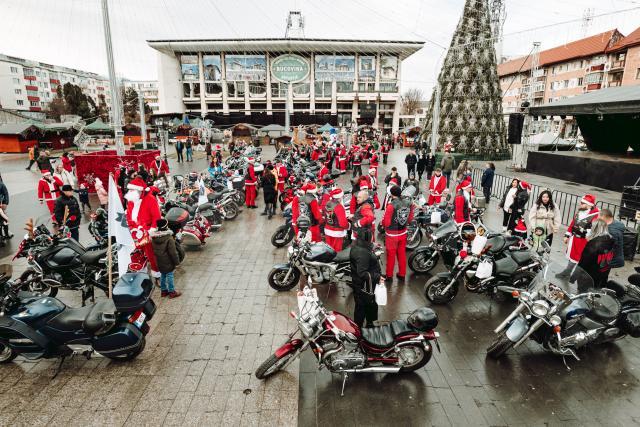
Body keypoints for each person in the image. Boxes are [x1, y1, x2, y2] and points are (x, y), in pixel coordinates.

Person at [557, 194, 600, 279]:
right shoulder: (580, 211)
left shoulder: (595, 215)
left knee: (580, 259)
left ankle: (575, 276)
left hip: (584, 241)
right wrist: (567, 235)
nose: (580, 204)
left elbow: (594, 230)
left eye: (582, 203)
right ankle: (567, 272)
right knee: (571, 256)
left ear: (588, 205)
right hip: (574, 239)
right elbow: (573, 223)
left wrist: (587, 233)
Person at [349, 227, 381, 328]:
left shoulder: (358, 245)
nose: (372, 239)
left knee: (368, 303)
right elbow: (362, 273)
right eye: (371, 237)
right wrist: (378, 277)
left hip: (362, 284)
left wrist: (373, 247)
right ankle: (358, 328)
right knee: (362, 306)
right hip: (364, 286)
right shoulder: (363, 253)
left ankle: (369, 322)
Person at [382, 185, 414, 281]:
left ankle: (389, 275)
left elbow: (386, 222)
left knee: (391, 256)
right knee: (401, 254)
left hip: (392, 234)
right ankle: (402, 274)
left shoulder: (391, 206)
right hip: (403, 232)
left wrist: (382, 223)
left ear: (391, 194)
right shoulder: (408, 203)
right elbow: (410, 219)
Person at [577, 219, 615, 290]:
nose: (590, 229)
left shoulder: (593, 244)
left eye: (591, 227)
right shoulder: (610, 240)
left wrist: (577, 275)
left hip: (589, 278)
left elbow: (583, 263)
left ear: (595, 228)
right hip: (603, 275)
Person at [151, 218, 182, 299]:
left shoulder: (153, 237)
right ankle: (172, 292)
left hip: (159, 260)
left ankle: (164, 291)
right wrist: (177, 263)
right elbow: (173, 252)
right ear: (166, 226)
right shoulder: (169, 238)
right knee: (170, 275)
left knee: (163, 275)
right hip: (168, 261)